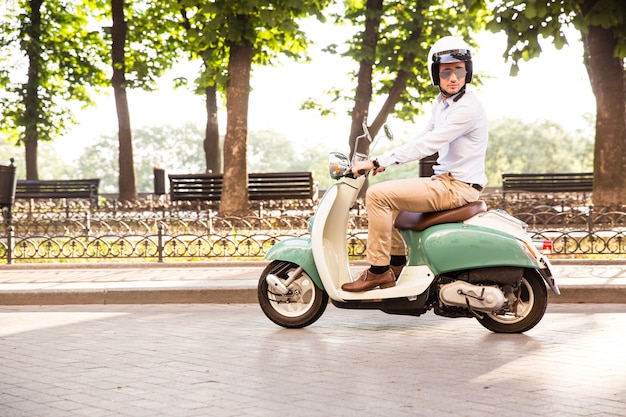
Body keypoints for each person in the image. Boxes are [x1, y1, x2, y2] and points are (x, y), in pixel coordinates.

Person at [342, 36, 488, 292]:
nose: (453, 77)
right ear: (436, 75)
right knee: (391, 200)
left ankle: (377, 271)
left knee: (377, 195)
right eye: (446, 71)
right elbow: (423, 137)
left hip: (457, 187)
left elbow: (429, 144)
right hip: (445, 182)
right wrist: (383, 162)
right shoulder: (442, 104)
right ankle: (396, 264)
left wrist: (378, 160)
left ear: (468, 72)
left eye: (459, 70)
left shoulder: (467, 108)